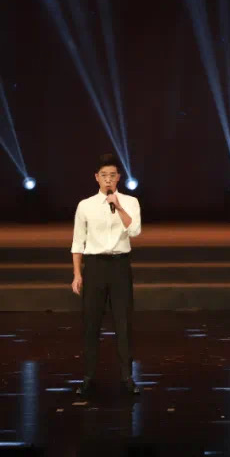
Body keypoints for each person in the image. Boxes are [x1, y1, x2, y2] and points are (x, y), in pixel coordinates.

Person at [71, 153, 142, 397]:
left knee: (123, 323)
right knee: (91, 323)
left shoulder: (130, 202)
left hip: (120, 266)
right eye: (104, 175)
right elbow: (78, 242)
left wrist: (118, 206)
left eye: (112, 175)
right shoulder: (85, 205)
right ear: (96, 177)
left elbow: (135, 230)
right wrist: (77, 274)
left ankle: (127, 376)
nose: (108, 179)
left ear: (119, 177)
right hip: (95, 267)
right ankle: (88, 377)